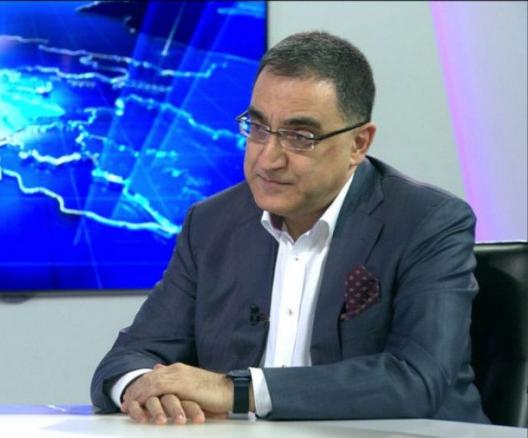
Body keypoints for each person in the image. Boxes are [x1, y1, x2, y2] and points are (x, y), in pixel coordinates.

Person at [90, 31, 489, 425]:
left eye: (300, 137)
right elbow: (127, 358)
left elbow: (416, 379)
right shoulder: (210, 223)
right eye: (258, 127)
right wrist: (146, 389)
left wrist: (237, 390)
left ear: (358, 144)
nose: (268, 159)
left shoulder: (427, 222)